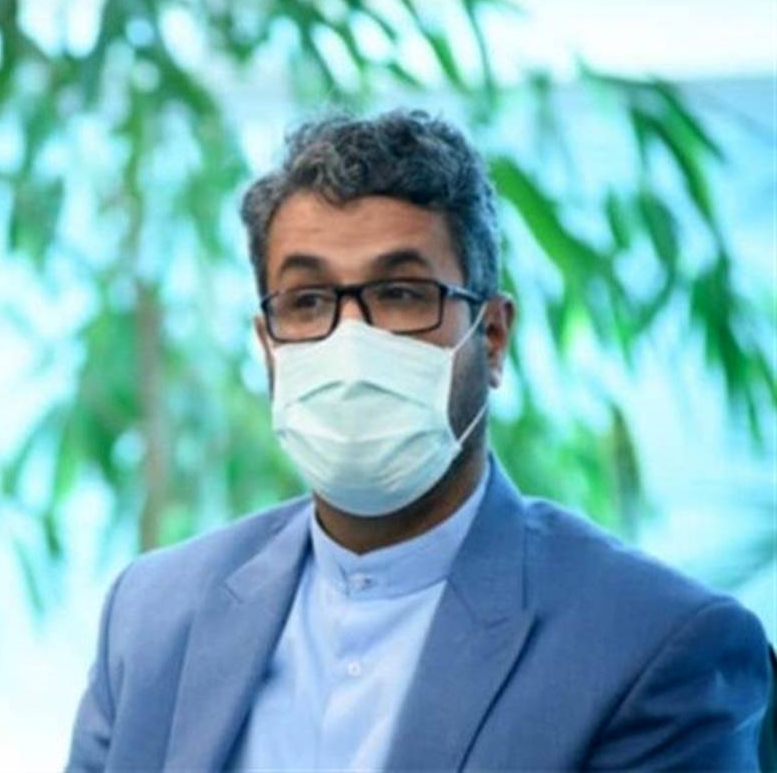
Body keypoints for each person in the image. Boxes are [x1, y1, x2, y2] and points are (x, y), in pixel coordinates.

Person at [66, 110, 772, 771]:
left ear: (491, 337)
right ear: (268, 343)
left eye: (400, 294)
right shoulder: (152, 615)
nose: (350, 342)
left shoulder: (657, 645)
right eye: (307, 301)